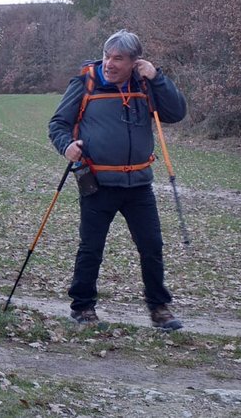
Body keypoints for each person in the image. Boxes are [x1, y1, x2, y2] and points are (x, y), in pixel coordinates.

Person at [48, 29, 186, 330]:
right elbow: (58, 123)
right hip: (96, 183)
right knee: (91, 247)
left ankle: (159, 308)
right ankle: (82, 308)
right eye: (107, 56)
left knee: (152, 246)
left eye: (118, 59)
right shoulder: (85, 83)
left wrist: (157, 77)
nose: (109, 64)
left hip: (138, 185)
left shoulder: (146, 85)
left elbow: (176, 113)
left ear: (135, 62)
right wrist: (66, 146)